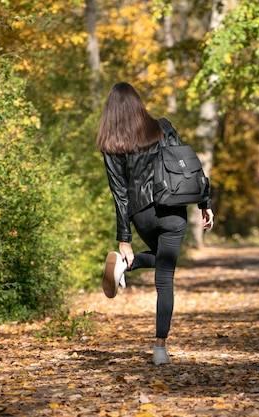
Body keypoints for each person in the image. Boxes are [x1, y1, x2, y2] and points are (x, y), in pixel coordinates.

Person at [96, 82, 214, 365]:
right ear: (139, 104)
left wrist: (124, 239)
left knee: (163, 264)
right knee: (165, 277)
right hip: (173, 208)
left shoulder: (112, 145)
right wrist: (204, 202)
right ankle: (160, 347)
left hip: (142, 213)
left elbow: (120, 193)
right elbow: (187, 166)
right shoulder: (162, 127)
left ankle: (129, 263)